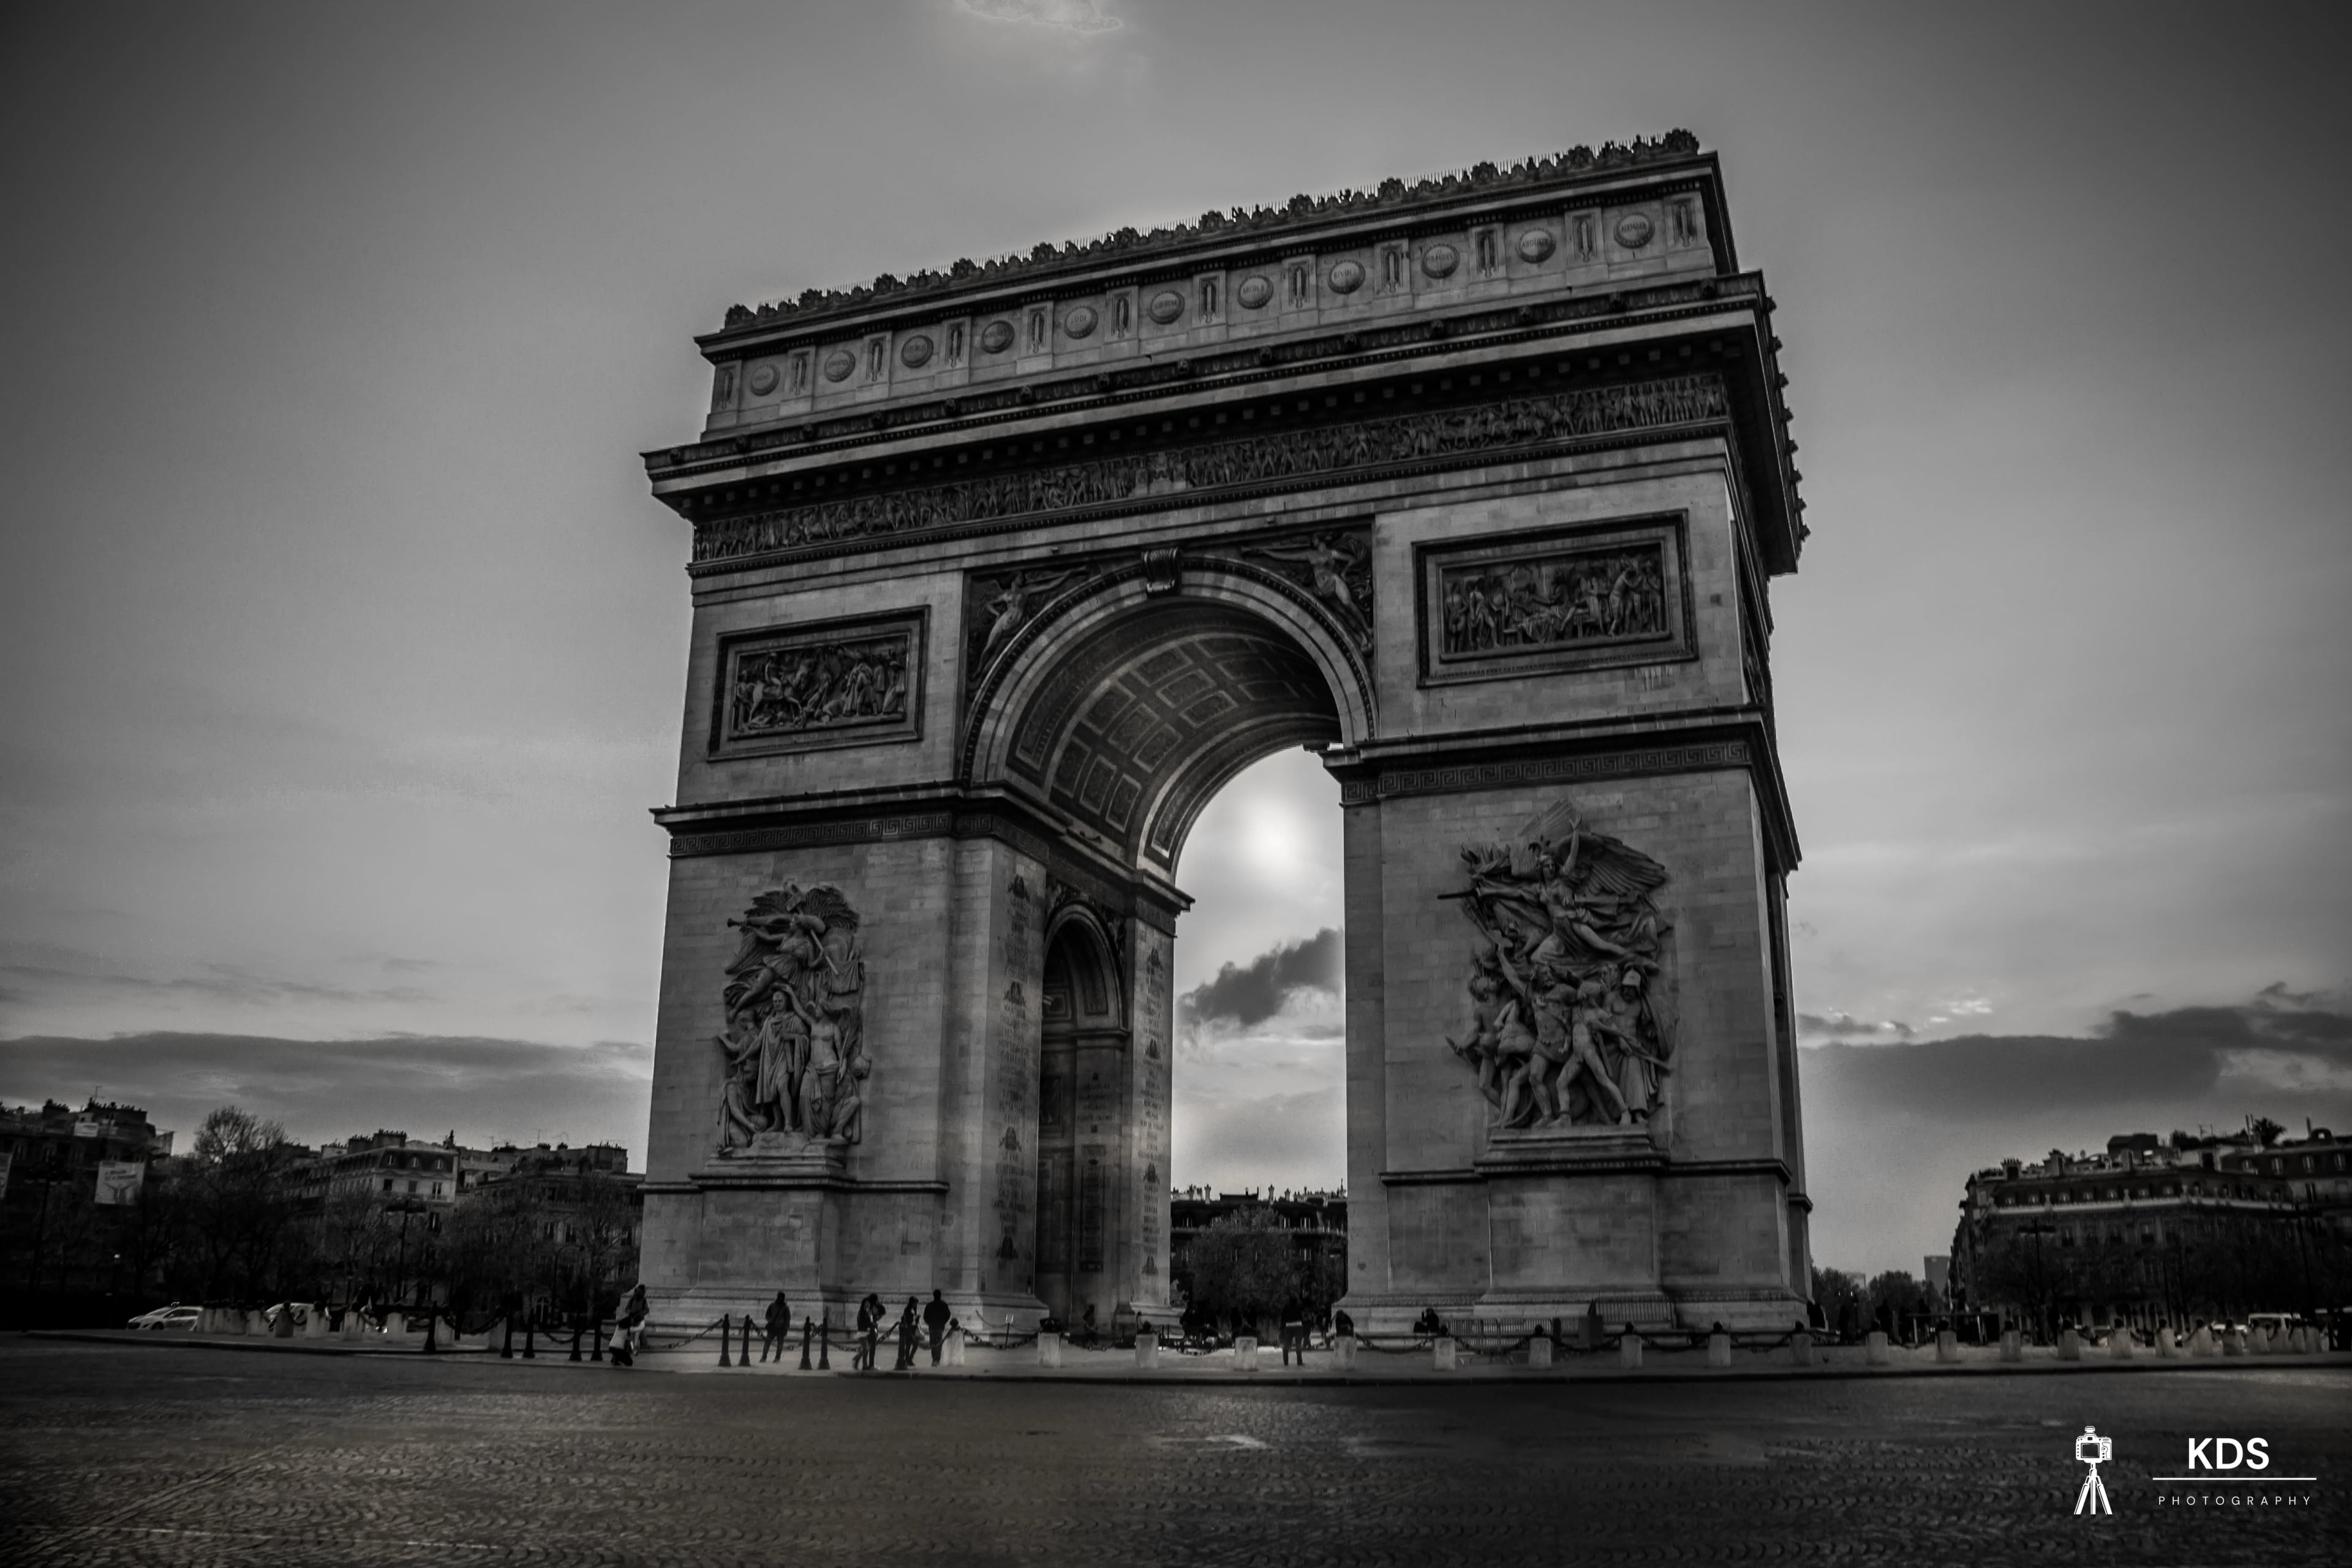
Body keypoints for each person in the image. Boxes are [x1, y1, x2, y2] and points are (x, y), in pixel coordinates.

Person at [761, 1290, 791, 1363]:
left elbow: (787, 1319)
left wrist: (786, 1329)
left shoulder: (785, 1308)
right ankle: (765, 1357)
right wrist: (770, 1320)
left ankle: (775, 1358)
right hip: (774, 1327)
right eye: (780, 1297)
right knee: (769, 1343)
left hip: (780, 1328)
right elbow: (767, 1315)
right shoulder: (774, 1306)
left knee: (777, 1344)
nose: (781, 1299)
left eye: (782, 1298)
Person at [923, 1290, 951, 1365]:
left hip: (932, 1326)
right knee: (939, 1343)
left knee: (933, 1343)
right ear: (940, 1295)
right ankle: (937, 1360)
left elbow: (925, 1316)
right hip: (940, 1326)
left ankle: (934, 1359)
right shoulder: (944, 1305)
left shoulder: (929, 1305)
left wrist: (929, 1323)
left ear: (934, 1296)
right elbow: (948, 1315)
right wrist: (943, 1322)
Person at [895, 1297, 920, 1370]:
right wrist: (915, 1318)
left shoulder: (913, 1309)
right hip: (908, 1329)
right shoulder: (908, 1309)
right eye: (915, 1303)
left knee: (912, 1344)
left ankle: (908, 1358)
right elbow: (909, 1320)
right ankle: (908, 1359)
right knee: (911, 1344)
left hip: (912, 1328)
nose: (916, 1304)